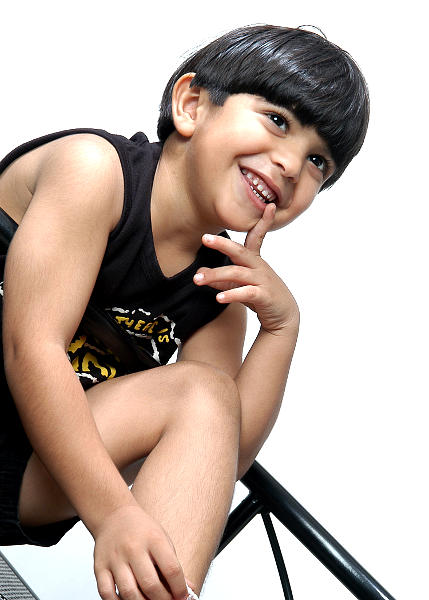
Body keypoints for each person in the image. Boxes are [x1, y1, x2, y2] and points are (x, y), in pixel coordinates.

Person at [0, 24, 369, 600]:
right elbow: (31, 348)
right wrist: (114, 514)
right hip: (25, 415)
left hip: (24, 477)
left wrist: (280, 329)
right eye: (278, 121)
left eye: (318, 161)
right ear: (192, 105)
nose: (292, 166)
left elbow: (214, 460)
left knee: (206, 395)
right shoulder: (94, 171)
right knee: (198, 390)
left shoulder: (218, 290)